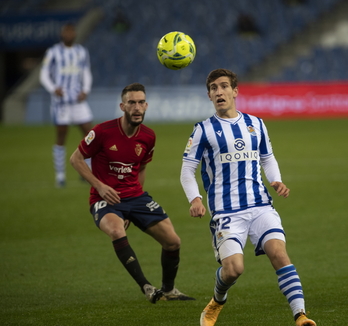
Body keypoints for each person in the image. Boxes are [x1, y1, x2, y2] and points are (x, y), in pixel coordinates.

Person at [180, 68, 316, 326]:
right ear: (209, 96)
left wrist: (275, 179)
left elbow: (267, 157)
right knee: (234, 270)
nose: (219, 91)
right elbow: (187, 170)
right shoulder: (203, 130)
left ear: (235, 91)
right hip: (226, 211)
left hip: (261, 205)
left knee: (279, 253)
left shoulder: (256, 123)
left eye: (223, 86)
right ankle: (217, 301)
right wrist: (194, 198)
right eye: (213, 88)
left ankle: (300, 315)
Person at [70, 82, 194, 303]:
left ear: (146, 106)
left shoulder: (148, 136)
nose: (137, 108)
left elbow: (142, 167)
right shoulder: (101, 131)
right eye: (132, 103)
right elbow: (76, 159)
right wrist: (99, 186)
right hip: (104, 199)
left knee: (173, 241)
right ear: (122, 106)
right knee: (117, 232)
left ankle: (168, 289)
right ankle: (146, 287)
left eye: (140, 103)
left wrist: (135, 204)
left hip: (135, 196)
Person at [40, 23, 93, 187]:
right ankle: (60, 176)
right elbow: (44, 74)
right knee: (61, 136)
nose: (69, 33)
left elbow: (86, 72)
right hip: (61, 103)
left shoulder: (81, 52)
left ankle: (87, 172)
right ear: (62, 34)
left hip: (78, 101)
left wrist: (85, 89)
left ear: (75, 33)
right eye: (66, 31)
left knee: (90, 136)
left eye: (71, 30)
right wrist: (53, 89)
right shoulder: (53, 52)